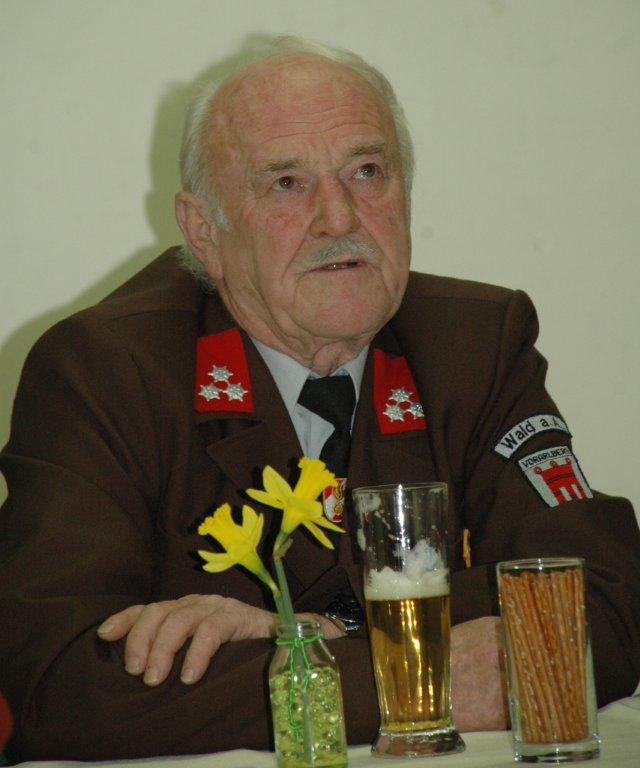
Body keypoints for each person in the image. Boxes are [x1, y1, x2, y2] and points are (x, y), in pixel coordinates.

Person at [1, 36, 639, 761]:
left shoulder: (476, 345)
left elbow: (601, 602)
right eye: (286, 183)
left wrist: (313, 636)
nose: (339, 217)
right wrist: (406, 679)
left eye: (367, 172)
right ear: (205, 233)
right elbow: (53, 682)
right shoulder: (105, 370)